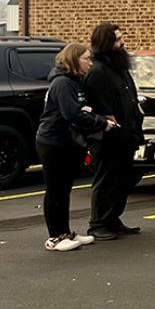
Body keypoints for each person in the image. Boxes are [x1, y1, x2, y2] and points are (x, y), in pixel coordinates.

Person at [35, 43, 110, 251]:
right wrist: (101, 122)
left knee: (65, 188)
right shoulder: (62, 83)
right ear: (74, 60)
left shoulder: (75, 82)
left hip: (68, 141)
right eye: (87, 58)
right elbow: (72, 114)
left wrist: (88, 113)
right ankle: (55, 237)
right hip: (52, 142)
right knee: (55, 189)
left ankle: (66, 231)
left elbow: (82, 109)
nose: (90, 63)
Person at [83, 22, 143, 241]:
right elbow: (100, 104)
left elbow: (129, 93)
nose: (122, 42)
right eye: (117, 39)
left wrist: (135, 107)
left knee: (123, 179)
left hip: (127, 133)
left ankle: (113, 218)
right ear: (106, 43)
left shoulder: (119, 67)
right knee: (107, 179)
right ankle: (98, 223)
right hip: (108, 137)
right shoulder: (98, 71)